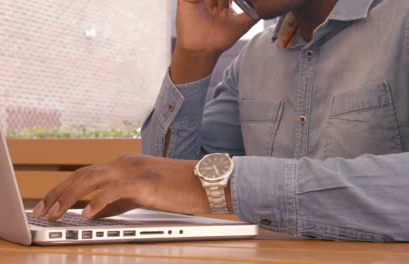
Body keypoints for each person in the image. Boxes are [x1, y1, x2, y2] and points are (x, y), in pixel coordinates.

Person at [33, 0, 409, 241]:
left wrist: (215, 186)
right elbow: (158, 190)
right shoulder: (255, 59)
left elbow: (186, 184)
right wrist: (193, 55)